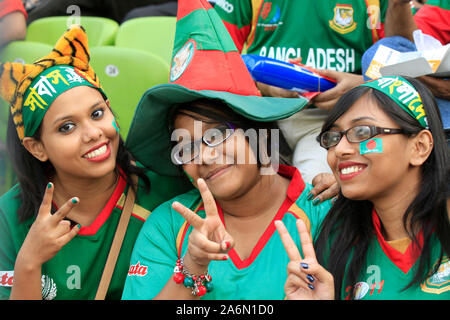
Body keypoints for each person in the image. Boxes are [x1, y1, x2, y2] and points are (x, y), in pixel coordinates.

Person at [121, 0, 334, 300]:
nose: (204, 157)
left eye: (217, 135)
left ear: (258, 130)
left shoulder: (325, 210)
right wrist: (191, 269)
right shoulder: (169, 225)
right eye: (186, 148)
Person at [0, 25, 189, 300]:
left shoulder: (165, 194)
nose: (93, 133)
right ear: (37, 147)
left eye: (98, 113)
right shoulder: (10, 215)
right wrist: (28, 262)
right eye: (67, 127)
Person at [276, 76, 450, 299]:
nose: (339, 149)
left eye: (362, 132)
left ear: (419, 147)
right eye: (333, 137)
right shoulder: (333, 243)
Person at [214, 0, 389, 184]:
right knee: (243, 186)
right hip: (259, 112)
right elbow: (214, 58)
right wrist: (262, 85)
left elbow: (414, 69)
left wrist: (363, 85)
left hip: (336, 120)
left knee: (317, 190)